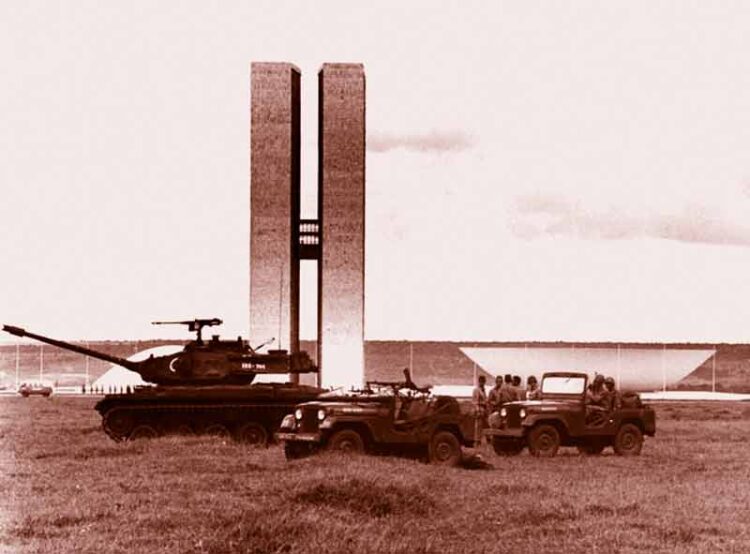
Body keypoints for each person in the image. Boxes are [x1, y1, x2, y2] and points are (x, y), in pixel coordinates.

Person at [472, 375, 488, 443]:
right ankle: (477, 440)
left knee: (485, 425)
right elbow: (475, 401)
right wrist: (477, 410)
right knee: (478, 425)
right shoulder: (476, 390)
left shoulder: (483, 390)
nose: (483, 383)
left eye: (483, 382)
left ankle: (487, 439)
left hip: (484, 409)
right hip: (479, 408)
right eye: (482, 382)